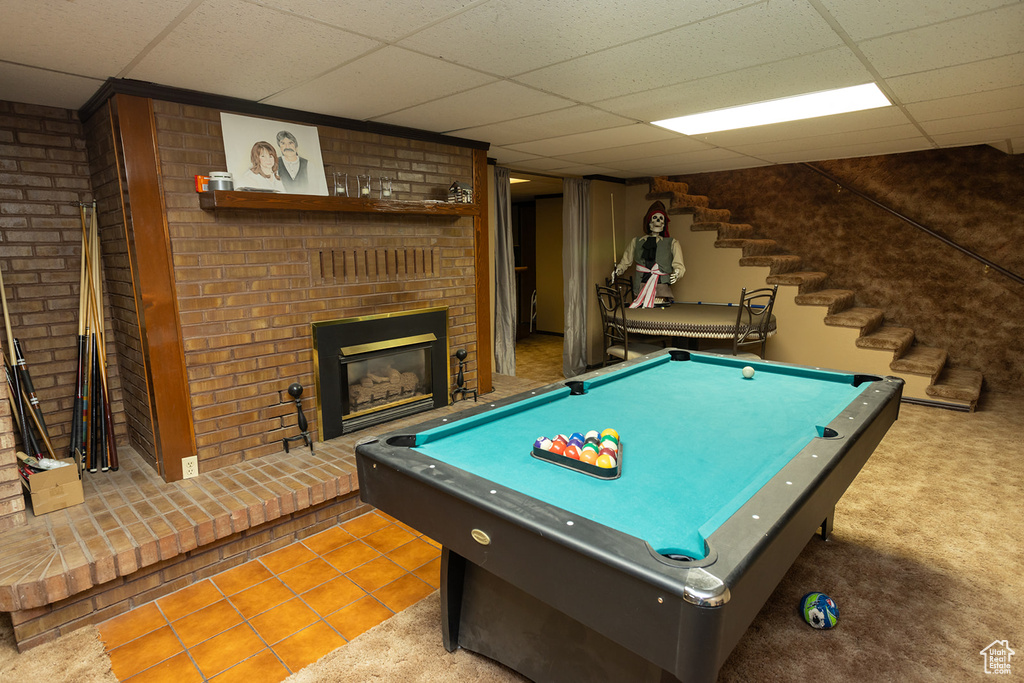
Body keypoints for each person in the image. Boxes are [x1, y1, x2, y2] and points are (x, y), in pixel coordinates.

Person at [610, 200, 685, 307]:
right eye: (655, 218)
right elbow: (626, 261)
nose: (658, 221)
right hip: (640, 286)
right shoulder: (636, 242)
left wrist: (677, 272)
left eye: (661, 219)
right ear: (648, 222)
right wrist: (618, 269)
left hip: (661, 288)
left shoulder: (672, 243)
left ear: (664, 224)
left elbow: (679, 264)